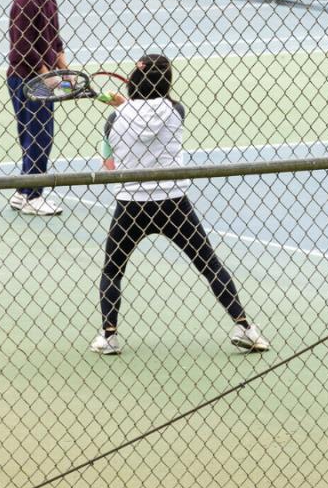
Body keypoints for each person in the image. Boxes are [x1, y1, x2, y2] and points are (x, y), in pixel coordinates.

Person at [90, 54, 269, 356]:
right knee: (209, 265)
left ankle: (109, 336)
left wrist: (123, 109)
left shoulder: (114, 119)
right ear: (167, 82)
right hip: (174, 203)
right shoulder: (176, 110)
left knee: (112, 270)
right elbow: (153, 112)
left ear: (133, 79)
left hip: (131, 205)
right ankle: (245, 327)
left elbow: (109, 165)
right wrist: (126, 105)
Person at [6, 0, 66, 217]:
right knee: (40, 136)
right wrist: (47, 74)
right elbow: (22, 47)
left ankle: (22, 190)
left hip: (41, 76)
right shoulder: (24, 1)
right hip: (27, 79)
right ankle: (33, 195)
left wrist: (62, 65)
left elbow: (53, 37)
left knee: (34, 135)